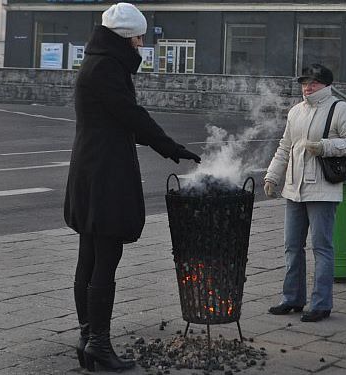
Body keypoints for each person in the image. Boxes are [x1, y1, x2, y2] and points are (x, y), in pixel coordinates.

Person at [64, 3, 201, 372]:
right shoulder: (107, 69)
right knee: (104, 258)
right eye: (139, 37)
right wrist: (172, 148)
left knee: (89, 256)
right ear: (126, 37)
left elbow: (123, 118)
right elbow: (132, 117)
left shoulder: (96, 63)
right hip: (105, 174)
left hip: (90, 170)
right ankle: (98, 344)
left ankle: (87, 336)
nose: (141, 44)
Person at [263, 63, 346, 322]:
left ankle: (321, 303)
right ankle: (292, 298)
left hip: (323, 189)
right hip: (294, 189)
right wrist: (273, 176)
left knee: (322, 247)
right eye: (305, 82)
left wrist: (324, 147)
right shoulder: (296, 111)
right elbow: (285, 146)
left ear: (326, 85)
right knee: (292, 247)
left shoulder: (339, 108)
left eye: (314, 83)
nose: (308, 87)